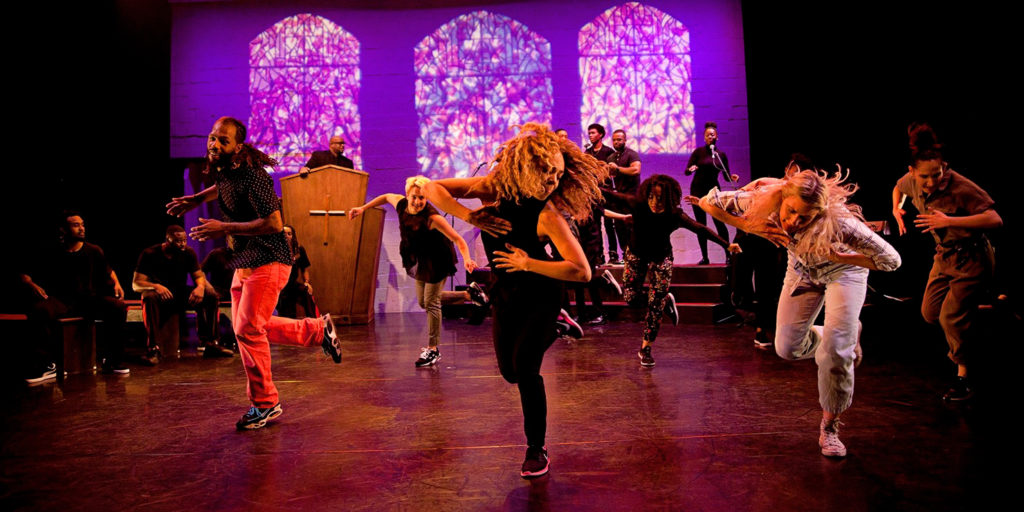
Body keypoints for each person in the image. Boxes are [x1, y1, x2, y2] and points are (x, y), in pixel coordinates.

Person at [422, 122, 605, 478]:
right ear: (524, 168)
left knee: (525, 370)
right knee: (508, 372)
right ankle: (559, 326)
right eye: (546, 172)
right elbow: (431, 187)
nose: (553, 180)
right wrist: (469, 215)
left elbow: (581, 271)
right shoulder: (492, 189)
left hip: (542, 293)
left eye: (558, 174)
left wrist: (528, 262)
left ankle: (536, 449)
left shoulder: (547, 215)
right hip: (505, 294)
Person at [698, 169, 901, 458]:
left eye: (805, 218)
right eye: (791, 211)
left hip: (843, 272)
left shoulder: (841, 222)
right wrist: (750, 227)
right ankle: (841, 334)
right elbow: (709, 202)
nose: (794, 222)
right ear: (783, 198)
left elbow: (891, 261)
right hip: (803, 271)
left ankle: (830, 427)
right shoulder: (764, 198)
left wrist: (842, 257)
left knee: (837, 353)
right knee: (786, 348)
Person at [166, 116, 342, 431]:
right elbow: (221, 187)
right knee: (246, 327)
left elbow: (274, 223)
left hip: (270, 259)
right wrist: (195, 199)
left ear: (238, 146)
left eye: (222, 140)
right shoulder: (226, 170)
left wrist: (224, 227)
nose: (214, 144)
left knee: (249, 330)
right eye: (212, 137)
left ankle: (265, 404)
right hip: (246, 259)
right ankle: (318, 330)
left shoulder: (254, 175)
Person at [891, 122, 1001, 401]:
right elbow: (898, 188)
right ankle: (984, 309)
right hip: (944, 257)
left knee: (949, 318)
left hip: (972, 257)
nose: (931, 182)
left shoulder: (961, 187)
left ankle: (963, 377)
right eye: (925, 177)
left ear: (944, 168)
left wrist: (949, 220)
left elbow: (994, 219)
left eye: (937, 175)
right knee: (930, 313)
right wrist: (897, 209)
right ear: (913, 171)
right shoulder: (911, 181)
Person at [349, 176, 488, 367]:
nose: (418, 202)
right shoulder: (400, 204)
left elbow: (458, 240)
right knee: (424, 301)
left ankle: (433, 350)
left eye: (422, 198)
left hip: (437, 260)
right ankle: (468, 294)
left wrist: (467, 259)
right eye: (414, 197)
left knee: (431, 304)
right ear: (407, 195)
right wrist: (363, 208)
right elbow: (386, 196)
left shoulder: (432, 218)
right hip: (420, 258)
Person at [604, 175, 740, 366]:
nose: (655, 203)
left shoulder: (675, 215)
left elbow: (700, 228)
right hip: (636, 254)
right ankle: (665, 299)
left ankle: (646, 348)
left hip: (662, 258)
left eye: (660, 199)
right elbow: (610, 195)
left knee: (655, 304)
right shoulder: (637, 205)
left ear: (668, 198)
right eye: (651, 197)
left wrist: (726, 245)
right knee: (630, 298)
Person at [17, 211, 130, 380]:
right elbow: (24, 273)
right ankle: (45, 365)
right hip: (61, 300)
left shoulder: (93, 251)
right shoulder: (51, 250)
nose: (81, 228)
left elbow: (107, 270)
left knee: (118, 307)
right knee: (39, 311)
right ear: (63, 229)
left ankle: (113, 360)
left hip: (88, 300)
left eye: (82, 225)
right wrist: (30, 284)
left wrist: (117, 284)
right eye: (76, 225)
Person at [133, 225, 234, 360]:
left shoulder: (188, 252)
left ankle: (210, 343)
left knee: (210, 296)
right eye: (178, 241)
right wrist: (156, 286)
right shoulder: (150, 253)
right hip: (160, 295)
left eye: (185, 240)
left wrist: (200, 287)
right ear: (168, 240)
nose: (182, 244)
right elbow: (136, 284)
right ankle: (153, 348)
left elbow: (198, 276)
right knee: (148, 297)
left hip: (180, 293)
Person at [685, 122, 740, 265]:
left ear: (717, 137)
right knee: (701, 224)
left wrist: (732, 177)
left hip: (714, 192)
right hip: (697, 190)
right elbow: (686, 171)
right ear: (704, 138)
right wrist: (691, 169)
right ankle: (705, 257)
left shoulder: (721, 155)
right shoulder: (698, 153)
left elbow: (726, 176)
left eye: (713, 135)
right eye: (708, 135)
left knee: (719, 223)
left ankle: (728, 255)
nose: (711, 137)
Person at [605, 129, 641, 263]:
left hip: (632, 197)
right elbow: (611, 174)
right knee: (619, 227)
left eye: (619, 139)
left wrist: (618, 169)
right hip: (618, 197)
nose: (616, 142)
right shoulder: (611, 157)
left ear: (625, 140)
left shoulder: (632, 154)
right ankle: (626, 255)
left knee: (633, 227)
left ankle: (636, 255)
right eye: (614, 140)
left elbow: (636, 170)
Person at [585, 123, 617, 265]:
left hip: (606, 192)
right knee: (595, 225)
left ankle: (613, 254)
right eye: (589, 133)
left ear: (601, 135)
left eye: (593, 133)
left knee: (610, 225)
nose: (590, 135)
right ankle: (598, 255)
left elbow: (611, 172)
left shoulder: (608, 151)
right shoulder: (587, 153)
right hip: (593, 194)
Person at [275, 225, 318, 319]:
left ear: (293, 236)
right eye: (284, 234)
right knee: (288, 312)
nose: (286, 236)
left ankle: (313, 323)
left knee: (307, 292)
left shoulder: (299, 250)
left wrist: (307, 282)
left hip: (293, 284)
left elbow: (304, 269)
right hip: (281, 286)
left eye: (289, 234)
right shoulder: (276, 250)